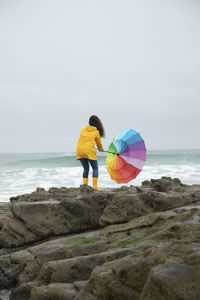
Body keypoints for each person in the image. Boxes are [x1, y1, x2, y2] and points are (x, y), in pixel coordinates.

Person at [76, 115, 105, 190]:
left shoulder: (83, 129)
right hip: (89, 151)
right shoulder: (96, 132)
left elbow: (85, 140)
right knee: (95, 168)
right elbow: (99, 145)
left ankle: (85, 186)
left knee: (86, 169)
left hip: (80, 150)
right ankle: (95, 187)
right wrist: (101, 149)